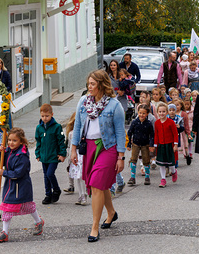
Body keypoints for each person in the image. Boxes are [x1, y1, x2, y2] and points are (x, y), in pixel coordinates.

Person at [71, 69, 125, 243]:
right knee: (100, 185)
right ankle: (111, 212)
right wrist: (73, 149)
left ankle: (94, 227)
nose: (90, 87)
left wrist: (120, 157)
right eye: (89, 83)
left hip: (107, 148)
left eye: (93, 84)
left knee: (96, 185)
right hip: (89, 147)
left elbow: (119, 132)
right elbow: (77, 126)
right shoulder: (83, 102)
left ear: (102, 85)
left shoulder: (114, 105)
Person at [0, 128, 44, 243]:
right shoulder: (8, 151)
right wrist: (0, 153)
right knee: (9, 207)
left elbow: (18, 173)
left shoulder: (22, 155)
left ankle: (38, 221)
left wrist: (4, 173)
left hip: (20, 186)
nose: (11, 143)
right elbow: (0, 163)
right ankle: (5, 232)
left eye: (14, 140)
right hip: (10, 185)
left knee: (26, 206)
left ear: (21, 141)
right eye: (9, 140)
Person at [35, 104, 66, 205]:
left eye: (47, 116)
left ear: (52, 115)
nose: (45, 118)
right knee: (45, 176)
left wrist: (62, 154)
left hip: (53, 156)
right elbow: (38, 142)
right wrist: (37, 154)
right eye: (43, 116)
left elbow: (61, 141)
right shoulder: (39, 128)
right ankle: (48, 194)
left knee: (49, 174)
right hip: (44, 156)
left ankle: (56, 190)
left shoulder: (57, 127)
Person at [127, 104, 154, 186]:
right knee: (133, 159)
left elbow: (152, 135)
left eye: (143, 113)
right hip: (135, 143)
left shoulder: (149, 123)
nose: (141, 115)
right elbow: (129, 133)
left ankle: (147, 177)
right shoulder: (135, 122)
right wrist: (128, 144)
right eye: (140, 113)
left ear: (147, 114)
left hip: (145, 144)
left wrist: (151, 145)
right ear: (137, 112)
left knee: (146, 160)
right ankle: (132, 177)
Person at [64, 112, 87, 205]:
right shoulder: (70, 133)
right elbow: (69, 146)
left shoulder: (84, 132)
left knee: (81, 176)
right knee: (77, 176)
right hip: (74, 155)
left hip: (82, 154)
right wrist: (68, 157)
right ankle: (81, 195)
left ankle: (84, 194)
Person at [154, 103, 178, 188]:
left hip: (169, 145)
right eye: (160, 111)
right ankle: (163, 179)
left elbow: (175, 134)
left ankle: (174, 172)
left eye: (163, 111)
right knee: (162, 163)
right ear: (157, 112)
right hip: (161, 145)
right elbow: (156, 134)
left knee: (171, 163)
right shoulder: (156, 123)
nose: (161, 113)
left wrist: (175, 144)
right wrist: (155, 145)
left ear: (167, 112)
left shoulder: (171, 122)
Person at [167, 103, 184, 168]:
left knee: (175, 150)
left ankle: (175, 162)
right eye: (170, 110)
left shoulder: (179, 118)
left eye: (173, 110)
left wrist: (179, 127)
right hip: (168, 136)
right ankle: (169, 162)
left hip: (176, 136)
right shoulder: (166, 118)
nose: (172, 112)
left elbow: (183, 128)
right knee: (168, 150)